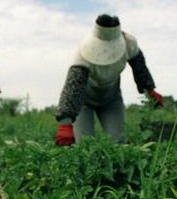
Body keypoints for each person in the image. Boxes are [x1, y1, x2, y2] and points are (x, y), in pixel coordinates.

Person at [54, 14, 164, 146]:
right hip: (84, 102)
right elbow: (72, 88)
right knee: (84, 145)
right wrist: (65, 124)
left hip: (111, 100)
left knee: (118, 143)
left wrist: (149, 90)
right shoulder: (83, 53)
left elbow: (139, 67)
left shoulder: (129, 43)